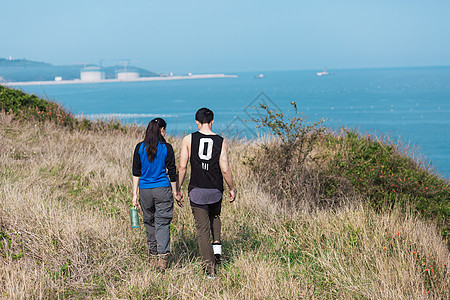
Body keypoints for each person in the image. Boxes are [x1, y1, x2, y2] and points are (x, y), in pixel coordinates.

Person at [178, 108, 236, 276]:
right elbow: (225, 169)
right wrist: (232, 188)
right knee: (215, 216)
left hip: (197, 190)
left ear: (197, 122)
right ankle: (217, 246)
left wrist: (178, 189)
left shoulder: (188, 139)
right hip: (215, 190)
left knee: (202, 231)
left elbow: (182, 167)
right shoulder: (221, 141)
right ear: (212, 122)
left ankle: (209, 270)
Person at [132, 117, 180, 271]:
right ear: (161, 130)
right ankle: (163, 259)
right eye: (165, 129)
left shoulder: (139, 147)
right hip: (163, 190)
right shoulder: (167, 148)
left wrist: (134, 195)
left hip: (145, 191)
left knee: (149, 223)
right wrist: (175, 192)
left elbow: (136, 173)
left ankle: (153, 256)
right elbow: (172, 172)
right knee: (163, 223)